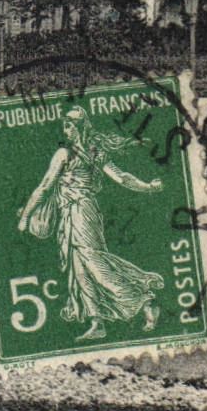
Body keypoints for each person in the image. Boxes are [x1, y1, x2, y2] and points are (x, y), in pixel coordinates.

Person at [17, 105, 165, 341]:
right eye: (64, 124)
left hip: (81, 212)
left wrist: (25, 217)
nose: (65, 129)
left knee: (94, 262)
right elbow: (122, 177)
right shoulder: (93, 153)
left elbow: (45, 186)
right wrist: (147, 187)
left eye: (69, 125)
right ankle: (97, 322)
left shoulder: (66, 155)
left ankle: (143, 299)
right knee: (79, 268)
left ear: (79, 127)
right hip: (73, 214)